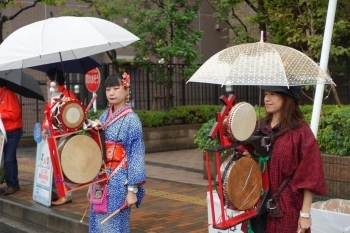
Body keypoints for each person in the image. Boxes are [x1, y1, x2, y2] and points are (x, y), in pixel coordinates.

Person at [238, 86, 326, 233]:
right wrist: (246, 156)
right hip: (257, 204)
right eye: (266, 94)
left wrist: (305, 214)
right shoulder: (259, 128)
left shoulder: (300, 132)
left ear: (287, 98)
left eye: (273, 94)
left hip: (286, 207)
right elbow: (241, 155)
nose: (267, 99)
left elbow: (310, 176)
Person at [88, 72, 146, 233]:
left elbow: (136, 155)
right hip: (101, 179)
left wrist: (132, 190)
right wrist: (91, 183)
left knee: (115, 225)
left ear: (126, 90)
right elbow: (97, 152)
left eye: (115, 88)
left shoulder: (132, 120)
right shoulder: (103, 117)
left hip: (120, 180)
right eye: (108, 90)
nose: (111, 93)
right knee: (97, 224)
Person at [41, 68, 77, 205]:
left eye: (48, 80)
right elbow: (48, 115)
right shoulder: (55, 95)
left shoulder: (68, 96)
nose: (46, 83)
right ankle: (58, 191)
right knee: (55, 164)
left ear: (54, 81)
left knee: (63, 163)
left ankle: (66, 194)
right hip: (53, 135)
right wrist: (45, 128)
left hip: (63, 135)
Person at [0, 79, 23, 195]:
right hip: (3, 132)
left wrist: (1, 114)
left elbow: (15, 114)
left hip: (12, 131)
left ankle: (13, 184)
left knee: (9, 158)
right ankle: (12, 182)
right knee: (5, 159)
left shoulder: (9, 94)